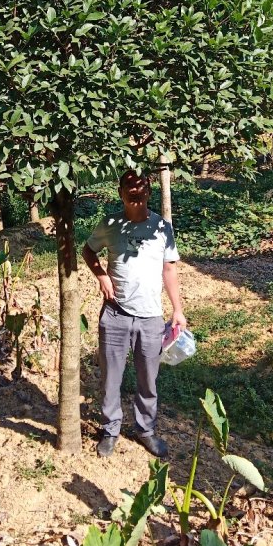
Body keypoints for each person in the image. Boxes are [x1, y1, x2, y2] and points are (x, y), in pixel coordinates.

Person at [82, 169, 187, 458]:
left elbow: (169, 269)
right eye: (129, 187)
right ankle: (110, 429)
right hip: (115, 314)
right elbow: (88, 251)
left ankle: (146, 430)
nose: (135, 192)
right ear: (120, 193)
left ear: (149, 192)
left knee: (147, 380)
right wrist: (101, 276)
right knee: (110, 379)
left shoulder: (162, 228)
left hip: (151, 317)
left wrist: (177, 309)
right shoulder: (110, 224)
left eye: (140, 188)